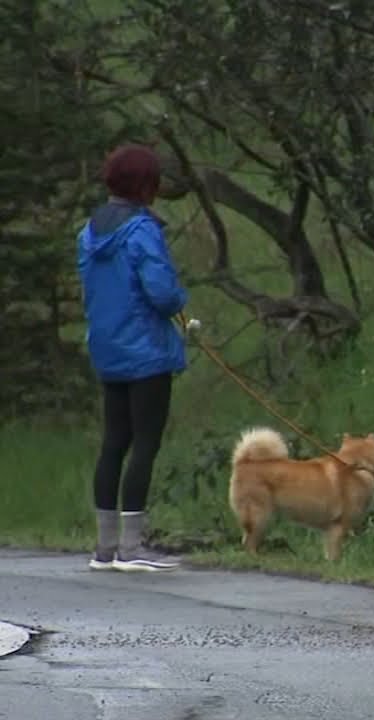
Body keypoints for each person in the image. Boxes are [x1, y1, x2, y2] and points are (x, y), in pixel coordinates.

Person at [76, 143, 188, 572]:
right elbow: (161, 292)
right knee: (145, 442)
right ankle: (133, 547)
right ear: (147, 185)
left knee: (113, 442)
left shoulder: (90, 231)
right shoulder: (142, 230)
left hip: (108, 349)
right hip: (145, 353)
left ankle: (104, 549)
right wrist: (180, 299)